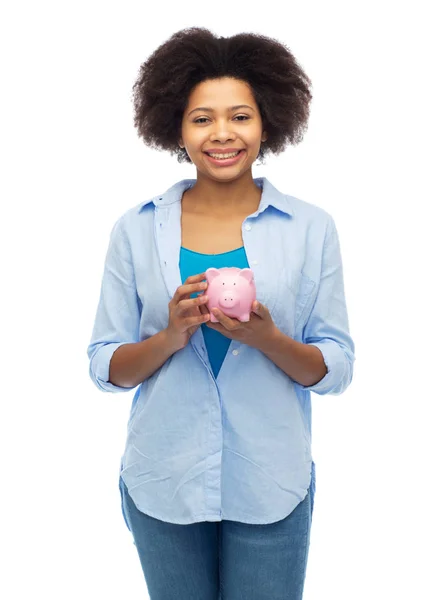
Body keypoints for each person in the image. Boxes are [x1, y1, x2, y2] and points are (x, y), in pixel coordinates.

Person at [86, 26, 355, 600]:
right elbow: (106, 366)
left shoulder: (312, 228)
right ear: (176, 129)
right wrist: (170, 335)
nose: (223, 134)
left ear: (267, 124)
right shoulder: (136, 229)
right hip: (163, 477)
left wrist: (267, 339)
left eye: (240, 116)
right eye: (202, 118)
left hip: (272, 482)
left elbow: (335, 369)